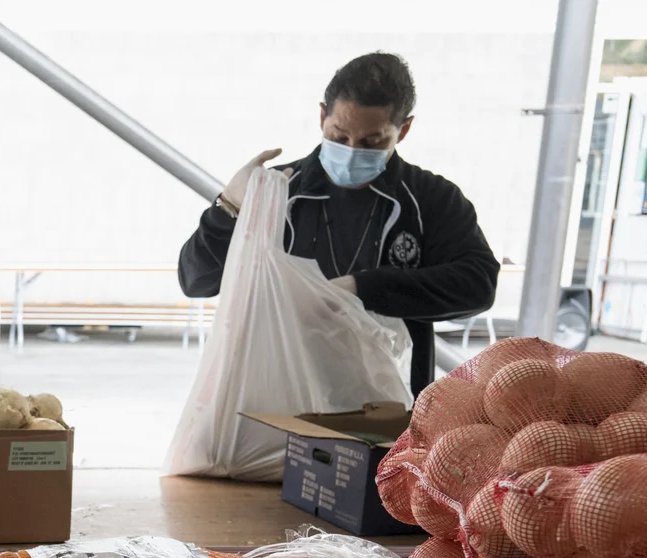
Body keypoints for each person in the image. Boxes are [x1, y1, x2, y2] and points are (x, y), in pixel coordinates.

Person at [178, 51, 498, 394]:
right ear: (321, 117)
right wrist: (228, 207)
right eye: (339, 136)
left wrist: (364, 289)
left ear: (403, 130)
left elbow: (478, 284)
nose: (351, 150)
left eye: (371, 142)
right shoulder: (279, 190)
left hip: (387, 410)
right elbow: (196, 280)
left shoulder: (431, 198)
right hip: (274, 399)